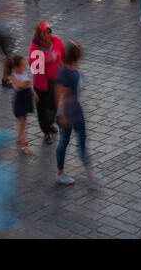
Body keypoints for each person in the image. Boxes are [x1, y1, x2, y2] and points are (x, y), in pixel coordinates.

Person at [54, 41, 94, 186]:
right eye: (79, 50)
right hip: (67, 113)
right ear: (74, 54)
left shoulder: (75, 67)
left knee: (82, 141)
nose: (82, 52)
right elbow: (60, 95)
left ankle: (91, 175)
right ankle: (60, 173)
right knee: (64, 142)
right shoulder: (64, 72)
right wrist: (62, 115)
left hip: (77, 111)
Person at [29, 22, 64, 145]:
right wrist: (45, 60)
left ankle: (50, 123)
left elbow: (63, 55)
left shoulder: (56, 41)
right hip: (42, 83)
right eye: (45, 33)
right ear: (40, 34)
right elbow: (33, 67)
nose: (48, 35)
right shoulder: (35, 47)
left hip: (55, 80)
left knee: (54, 104)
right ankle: (46, 132)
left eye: (49, 32)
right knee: (43, 108)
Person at [9, 54, 38, 154]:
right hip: (20, 99)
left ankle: (20, 136)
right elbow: (18, 85)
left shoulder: (24, 72)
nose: (25, 67)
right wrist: (25, 83)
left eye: (25, 65)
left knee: (24, 120)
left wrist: (34, 93)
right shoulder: (14, 76)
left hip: (26, 98)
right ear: (16, 67)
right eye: (23, 65)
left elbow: (29, 86)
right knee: (23, 121)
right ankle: (23, 142)